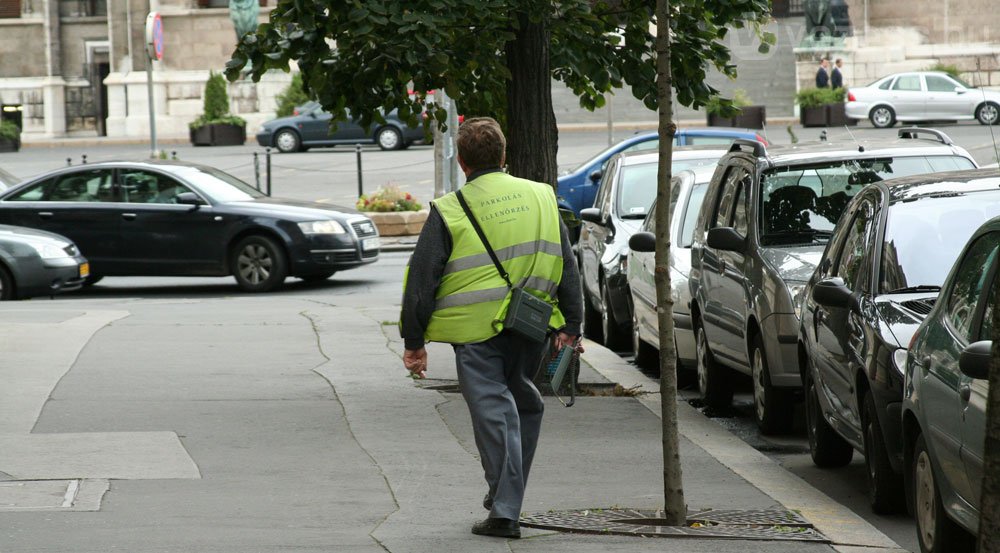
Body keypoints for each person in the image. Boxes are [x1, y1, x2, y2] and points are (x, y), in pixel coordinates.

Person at [399, 117, 583, 540]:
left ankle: (504, 510)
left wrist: (414, 341)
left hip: (476, 333)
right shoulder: (541, 197)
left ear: (462, 162)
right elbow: (566, 264)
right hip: (531, 326)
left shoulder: (450, 209)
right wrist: (571, 324)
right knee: (522, 403)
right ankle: (504, 492)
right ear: (504, 156)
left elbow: (422, 279)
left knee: (495, 412)